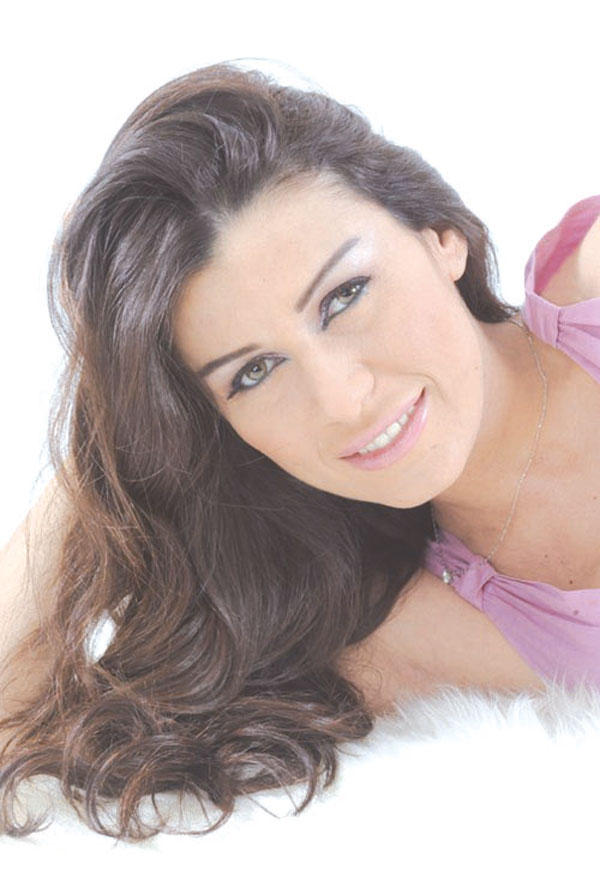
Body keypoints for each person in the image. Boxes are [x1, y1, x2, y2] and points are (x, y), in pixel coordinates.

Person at [0, 60, 598, 841]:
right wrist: (105, 440)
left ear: (439, 236)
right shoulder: (415, 629)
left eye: (344, 295)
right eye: (253, 372)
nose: (342, 399)